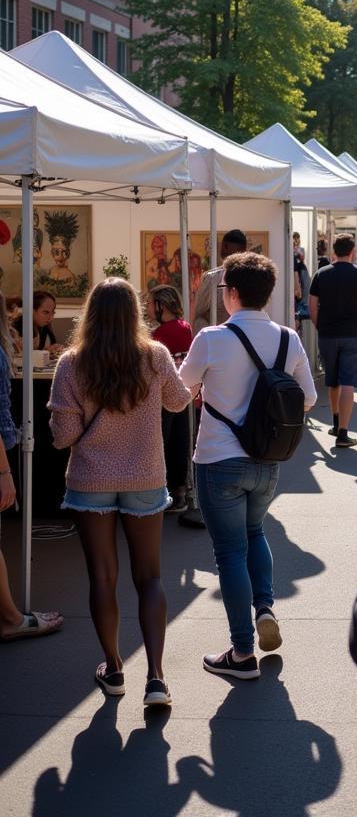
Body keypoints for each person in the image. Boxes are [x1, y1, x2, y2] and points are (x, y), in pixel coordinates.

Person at [49, 279, 193, 705]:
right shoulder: (155, 356)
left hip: (90, 480)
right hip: (145, 477)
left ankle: (113, 669)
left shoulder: (72, 364)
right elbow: (178, 402)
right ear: (137, 314)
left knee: (102, 577)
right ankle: (156, 678)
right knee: (149, 577)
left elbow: (63, 436)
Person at [179, 252, 317, 680]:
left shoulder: (211, 339)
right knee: (255, 533)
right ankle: (264, 609)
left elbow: (182, 390)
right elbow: (308, 398)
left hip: (219, 457)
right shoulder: (287, 339)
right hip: (266, 458)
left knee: (229, 553)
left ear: (232, 293)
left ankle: (241, 653)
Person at [0, 289, 64, 643]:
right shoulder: (10, 338)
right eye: (45, 311)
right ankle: (10, 616)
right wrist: (5, 472)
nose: (49, 316)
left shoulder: (43, 332)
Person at [309, 236, 357, 449]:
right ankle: (343, 432)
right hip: (352, 333)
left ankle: (334, 420)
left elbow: (312, 305)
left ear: (334, 251)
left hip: (328, 334)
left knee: (332, 380)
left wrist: (319, 326)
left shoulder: (321, 274)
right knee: (348, 382)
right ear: (353, 251)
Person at [148, 285, 195, 513]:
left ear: (161, 306)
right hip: (182, 393)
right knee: (180, 442)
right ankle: (180, 492)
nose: (147, 308)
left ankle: (164, 492)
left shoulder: (161, 334)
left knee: (164, 445)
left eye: (149, 303)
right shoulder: (185, 327)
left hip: (162, 397)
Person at [193, 229, 248, 332]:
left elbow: (198, 311)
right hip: (245, 334)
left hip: (218, 337)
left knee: (198, 321)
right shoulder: (254, 277)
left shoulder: (212, 277)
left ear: (225, 247)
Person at [12, 290, 64, 358]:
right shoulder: (15, 330)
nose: (51, 318)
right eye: (46, 313)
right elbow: (20, 358)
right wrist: (46, 352)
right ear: (31, 310)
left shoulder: (44, 327)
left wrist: (54, 350)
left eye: (52, 313)